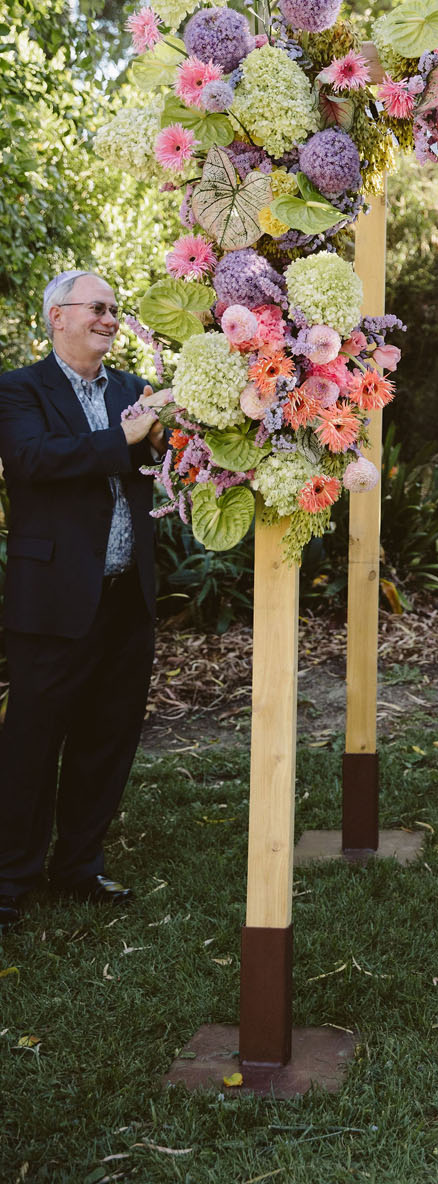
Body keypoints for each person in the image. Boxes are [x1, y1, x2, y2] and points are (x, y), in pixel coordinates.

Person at [0, 270, 169, 941]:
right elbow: (35, 461)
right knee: (31, 742)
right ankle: (11, 878)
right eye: (97, 308)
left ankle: (79, 864)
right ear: (57, 316)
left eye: (113, 309)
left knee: (108, 737)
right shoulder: (19, 389)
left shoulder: (133, 391)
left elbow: (156, 470)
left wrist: (166, 441)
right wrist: (127, 440)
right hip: (52, 600)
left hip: (125, 595)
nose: (108, 318)